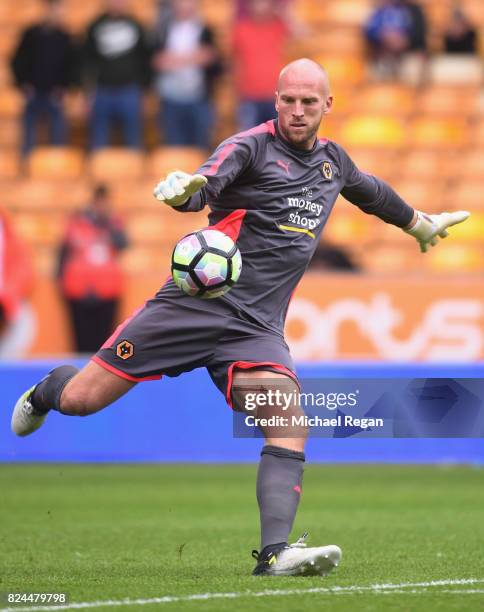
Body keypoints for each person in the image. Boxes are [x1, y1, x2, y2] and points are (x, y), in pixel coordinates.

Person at [11, 58, 469, 576]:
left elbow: (371, 192)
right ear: (275, 100)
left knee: (288, 419)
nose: (297, 111)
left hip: (254, 330)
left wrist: (419, 225)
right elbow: (207, 182)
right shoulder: (250, 146)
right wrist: (189, 194)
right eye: (288, 100)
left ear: (327, 106)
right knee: (82, 400)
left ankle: (274, 555)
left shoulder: (332, 163)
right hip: (190, 306)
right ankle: (47, 390)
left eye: (308, 103)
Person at [57, 184, 128, 353]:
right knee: (81, 341)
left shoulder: (113, 223)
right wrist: (62, 282)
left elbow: (122, 243)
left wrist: (107, 223)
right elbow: (63, 252)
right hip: (78, 291)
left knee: (105, 341)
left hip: (107, 291)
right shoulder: (77, 222)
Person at [152, 0, 222, 148]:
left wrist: (175, 59)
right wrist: (194, 57)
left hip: (199, 99)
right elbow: (158, 62)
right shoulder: (163, 30)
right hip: (171, 99)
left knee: (201, 148)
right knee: (174, 150)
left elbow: (213, 60)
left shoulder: (205, 30)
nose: (184, 5)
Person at [10, 0, 77, 156]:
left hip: (55, 95)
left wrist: (65, 88)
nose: (56, 13)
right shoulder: (30, 34)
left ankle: (58, 166)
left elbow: (72, 66)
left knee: (58, 136)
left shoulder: (65, 37)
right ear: (46, 10)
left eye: (59, 9)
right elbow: (18, 61)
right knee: (29, 137)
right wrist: (23, 84)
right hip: (33, 93)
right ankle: (26, 165)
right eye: (53, 9)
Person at [83, 0, 151, 149]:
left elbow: (145, 60)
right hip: (102, 91)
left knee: (133, 139)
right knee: (98, 141)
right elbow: (87, 62)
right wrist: (87, 93)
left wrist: (145, 90)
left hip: (129, 91)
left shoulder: (136, 26)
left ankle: (135, 170)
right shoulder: (95, 26)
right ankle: (97, 170)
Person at [233, 0, 292, 130]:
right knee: (249, 141)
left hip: (276, 96)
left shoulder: (278, 26)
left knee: (278, 142)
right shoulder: (240, 29)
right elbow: (233, 61)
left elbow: (301, 34)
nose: (261, 6)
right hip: (248, 96)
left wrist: (282, 12)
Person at [0, 211, 35, 358]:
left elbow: (23, 270)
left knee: (25, 322)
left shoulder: (9, 234)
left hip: (7, 299)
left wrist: (9, 296)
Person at [364, 0, 427, 80]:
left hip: (407, 53)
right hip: (382, 53)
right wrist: (383, 37)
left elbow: (419, 34)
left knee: (413, 70)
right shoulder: (379, 11)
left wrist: (404, 40)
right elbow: (369, 32)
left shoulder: (412, 10)